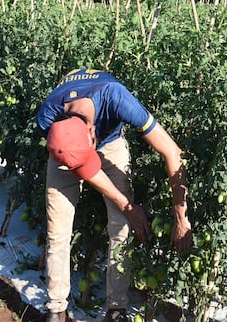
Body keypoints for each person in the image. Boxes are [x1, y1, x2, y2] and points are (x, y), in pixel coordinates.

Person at [37, 67, 192, 322]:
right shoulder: (47, 116)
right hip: (63, 156)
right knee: (58, 228)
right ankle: (56, 310)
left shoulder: (117, 98)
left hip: (110, 144)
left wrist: (180, 217)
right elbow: (83, 168)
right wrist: (128, 205)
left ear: (91, 129)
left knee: (121, 227)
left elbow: (172, 152)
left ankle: (117, 309)